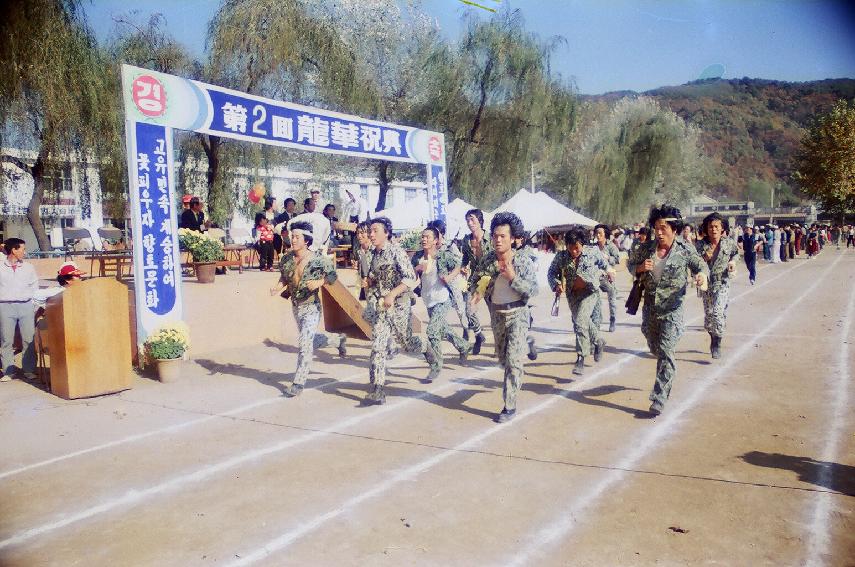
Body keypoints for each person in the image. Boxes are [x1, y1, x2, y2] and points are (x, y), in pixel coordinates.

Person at [627, 205, 708, 416]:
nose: (659, 232)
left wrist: (702, 276)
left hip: (673, 308)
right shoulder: (646, 248)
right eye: (656, 228)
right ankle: (662, 373)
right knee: (654, 346)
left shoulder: (684, 249)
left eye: (663, 228)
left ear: (674, 228)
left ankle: (659, 398)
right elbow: (630, 265)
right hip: (651, 307)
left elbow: (700, 265)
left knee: (665, 351)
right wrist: (639, 268)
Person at [470, 212, 539, 423]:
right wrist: (477, 292)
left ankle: (509, 405)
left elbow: (533, 290)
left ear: (512, 238)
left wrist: (513, 278)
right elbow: (476, 280)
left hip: (518, 313)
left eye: (502, 236)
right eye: (495, 236)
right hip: (497, 314)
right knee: (502, 358)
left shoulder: (523, 261)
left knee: (512, 361)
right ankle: (527, 343)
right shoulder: (489, 260)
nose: (498, 240)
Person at [270, 221, 347, 397]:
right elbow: (285, 277)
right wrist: (277, 287)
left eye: (297, 237)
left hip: (312, 306)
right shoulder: (287, 259)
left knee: (305, 342)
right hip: (296, 306)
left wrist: (320, 282)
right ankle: (338, 340)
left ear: (306, 240)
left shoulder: (318, 259)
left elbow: (333, 276)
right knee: (309, 340)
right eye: (292, 236)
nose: (293, 239)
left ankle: (298, 382)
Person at [363, 217, 436, 404]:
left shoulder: (396, 251)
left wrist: (392, 294)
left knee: (407, 343)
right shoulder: (372, 254)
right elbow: (374, 276)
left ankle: (426, 347)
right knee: (378, 346)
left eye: (375, 230)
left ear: (386, 233)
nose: (371, 234)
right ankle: (377, 389)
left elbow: (410, 277)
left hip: (400, 304)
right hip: (382, 307)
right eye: (370, 231)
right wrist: (369, 281)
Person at [548, 227, 609, 376]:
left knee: (581, 321)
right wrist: (556, 284)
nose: (573, 251)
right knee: (581, 322)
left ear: (582, 244)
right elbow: (551, 272)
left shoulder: (593, 252)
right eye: (570, 247)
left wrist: (605, 274)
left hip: (590, 293)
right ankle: (599, 340)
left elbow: (604, 266)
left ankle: (581, 358)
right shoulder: (561, 257)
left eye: (576, 248)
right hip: (572, 295)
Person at [412, 226, 471, 382]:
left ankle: (436, 365)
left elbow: (460, 264)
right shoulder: (418, 257)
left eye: (428, 237)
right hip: (428, 299)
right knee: (443, 330)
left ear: (436, 241)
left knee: (432, 331)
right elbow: (410, 274)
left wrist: (449, 277)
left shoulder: (443, 256)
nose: (424, 239)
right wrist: (417, 268)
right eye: (423, 236)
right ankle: (464, 346)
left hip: (443, 298)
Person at [696, 213, 738, 359]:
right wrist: (703, 260)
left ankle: (717, 343)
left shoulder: (729, 243)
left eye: (716, 226)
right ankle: (713, 337)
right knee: (708, 319)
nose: (713, 229)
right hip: (707, 284)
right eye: (710, 227)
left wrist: (732, 263)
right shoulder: (700, 245)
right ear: (706, 229)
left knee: (717, 313)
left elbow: (736, 254)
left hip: (723, 282)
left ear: (722, 228)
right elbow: (694, 262)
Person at [0, 238, 39, 382]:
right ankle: (9, 371)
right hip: (5, 306)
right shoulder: (0, 267)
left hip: (26, 306)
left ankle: (29, 370)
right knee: (6, 340)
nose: (24, 251)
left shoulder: (29, 267)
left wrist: (33, 304)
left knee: (29, 339)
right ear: (14, 250)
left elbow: (34, 286)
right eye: (22, 249)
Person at [460, 208, 490, 354]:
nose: (469, 223)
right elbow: (465, 257)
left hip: (491, 279)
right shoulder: (466, 240)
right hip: (475, 278)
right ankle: (479, 335)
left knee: (496, 314)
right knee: (469, 309)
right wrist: (463, 267)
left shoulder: (490, 238)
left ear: (480, 220)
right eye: (467, 220)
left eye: (472, 219)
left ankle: (501, 343)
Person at [592, 224, 621, 333]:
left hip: (609, 276)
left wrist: (608, 257)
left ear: (605, 234)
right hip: (596, 277)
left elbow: (617, 259)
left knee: (612, 300)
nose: (598, 235)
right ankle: (596, 321)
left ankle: (612, 319)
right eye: (596, 233)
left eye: (600, 233)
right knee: (594, 300)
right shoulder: (593, 247)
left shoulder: (611, 246)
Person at [352, 221, 372, 301]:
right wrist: (356, 266)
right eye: (357, 233)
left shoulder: (375, 250)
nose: (359, 236)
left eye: (362, 233)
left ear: (369, 233)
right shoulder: (358, 249)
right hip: (363, 284)